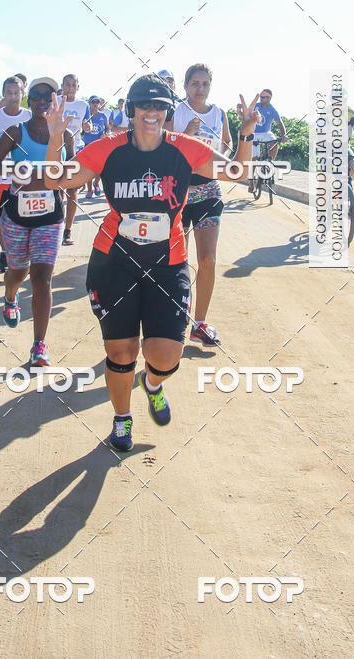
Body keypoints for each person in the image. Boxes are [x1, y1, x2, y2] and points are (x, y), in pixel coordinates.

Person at [42, 74, 260, 452]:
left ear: (168, 112)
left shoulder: (185, 149)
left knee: (165, 355)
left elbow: (238, 173)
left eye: (160, 106)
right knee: (121, 353)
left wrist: (246, 133)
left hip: (168, 262)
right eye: (144, 104)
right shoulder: (108, 149)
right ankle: (122, 420)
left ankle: (153, 383)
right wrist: (56, 136)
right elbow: (53, 182)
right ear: (131, 109)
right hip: (114, 262)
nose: (152, 112)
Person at [0, 77, 73, 366]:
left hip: (50, 215)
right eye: (36, 95)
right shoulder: (16, 131)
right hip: (17, 215)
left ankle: (39, 346)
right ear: (29, 100)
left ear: (56, 100)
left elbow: (74, 170)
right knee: (17, 272)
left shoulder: (66, 135)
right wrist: (14, 170)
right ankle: (10, 297)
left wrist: (63, 181)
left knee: (41, 278)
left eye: (48, 96)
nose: (42, 101)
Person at [172, 64, 233, 347]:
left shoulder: (219, 114)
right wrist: (186, 133)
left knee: (207, 258)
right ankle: (175, 314)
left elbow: (228, 145)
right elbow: (166, 149)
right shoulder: (177, 112)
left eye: (205, 83)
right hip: (178, 191)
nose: (200, 88)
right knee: (177, 260)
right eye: (195, 83)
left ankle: (200, 322)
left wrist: (224, 154)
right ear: (185, 86)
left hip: (209, 190)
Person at [0, 76, 31, 272]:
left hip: (24, 178)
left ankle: (23, 253)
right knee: (1, 219)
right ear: (3, 94)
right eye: (9, 92)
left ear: (23, 94)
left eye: (17, 92)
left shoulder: (30, 116)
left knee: (24, 218)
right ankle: (6, 254)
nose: (13, 96)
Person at [60, 73, 92, 245]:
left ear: (78, 87)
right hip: (56, 151)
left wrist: (88, 127)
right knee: (56, 190)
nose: (71, 88)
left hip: (75, 151)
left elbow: (87, 125)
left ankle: (68, 230)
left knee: (72, 191)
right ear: (63, 86)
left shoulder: (83, 105)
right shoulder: (55, 101)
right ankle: (56, 226)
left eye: (74, 85)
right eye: (68, 84)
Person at [249, 88, 287, 192]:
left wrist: (284, 135)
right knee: (254, 159)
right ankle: (251, 183)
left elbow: (279, 123)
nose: (261, 99)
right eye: (260, 97)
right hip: (255, 133)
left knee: (274, 143)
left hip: (266, 133)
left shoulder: (272, 110)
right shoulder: (256, 106)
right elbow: (247, 115)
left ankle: (269, 161)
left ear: (269, 98)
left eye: (263, 97)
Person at [83, 96, 108, 198]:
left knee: (99, 169)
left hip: (99, 146)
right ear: (90, 103)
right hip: (88, 145)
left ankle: (96, 183)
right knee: (88, 169)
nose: (95, 104)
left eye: (97, 102)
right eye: (93, 102)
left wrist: (105, 134)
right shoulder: (86, 115)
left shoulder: (103, 116)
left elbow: (107, 128)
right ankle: (89, 190)